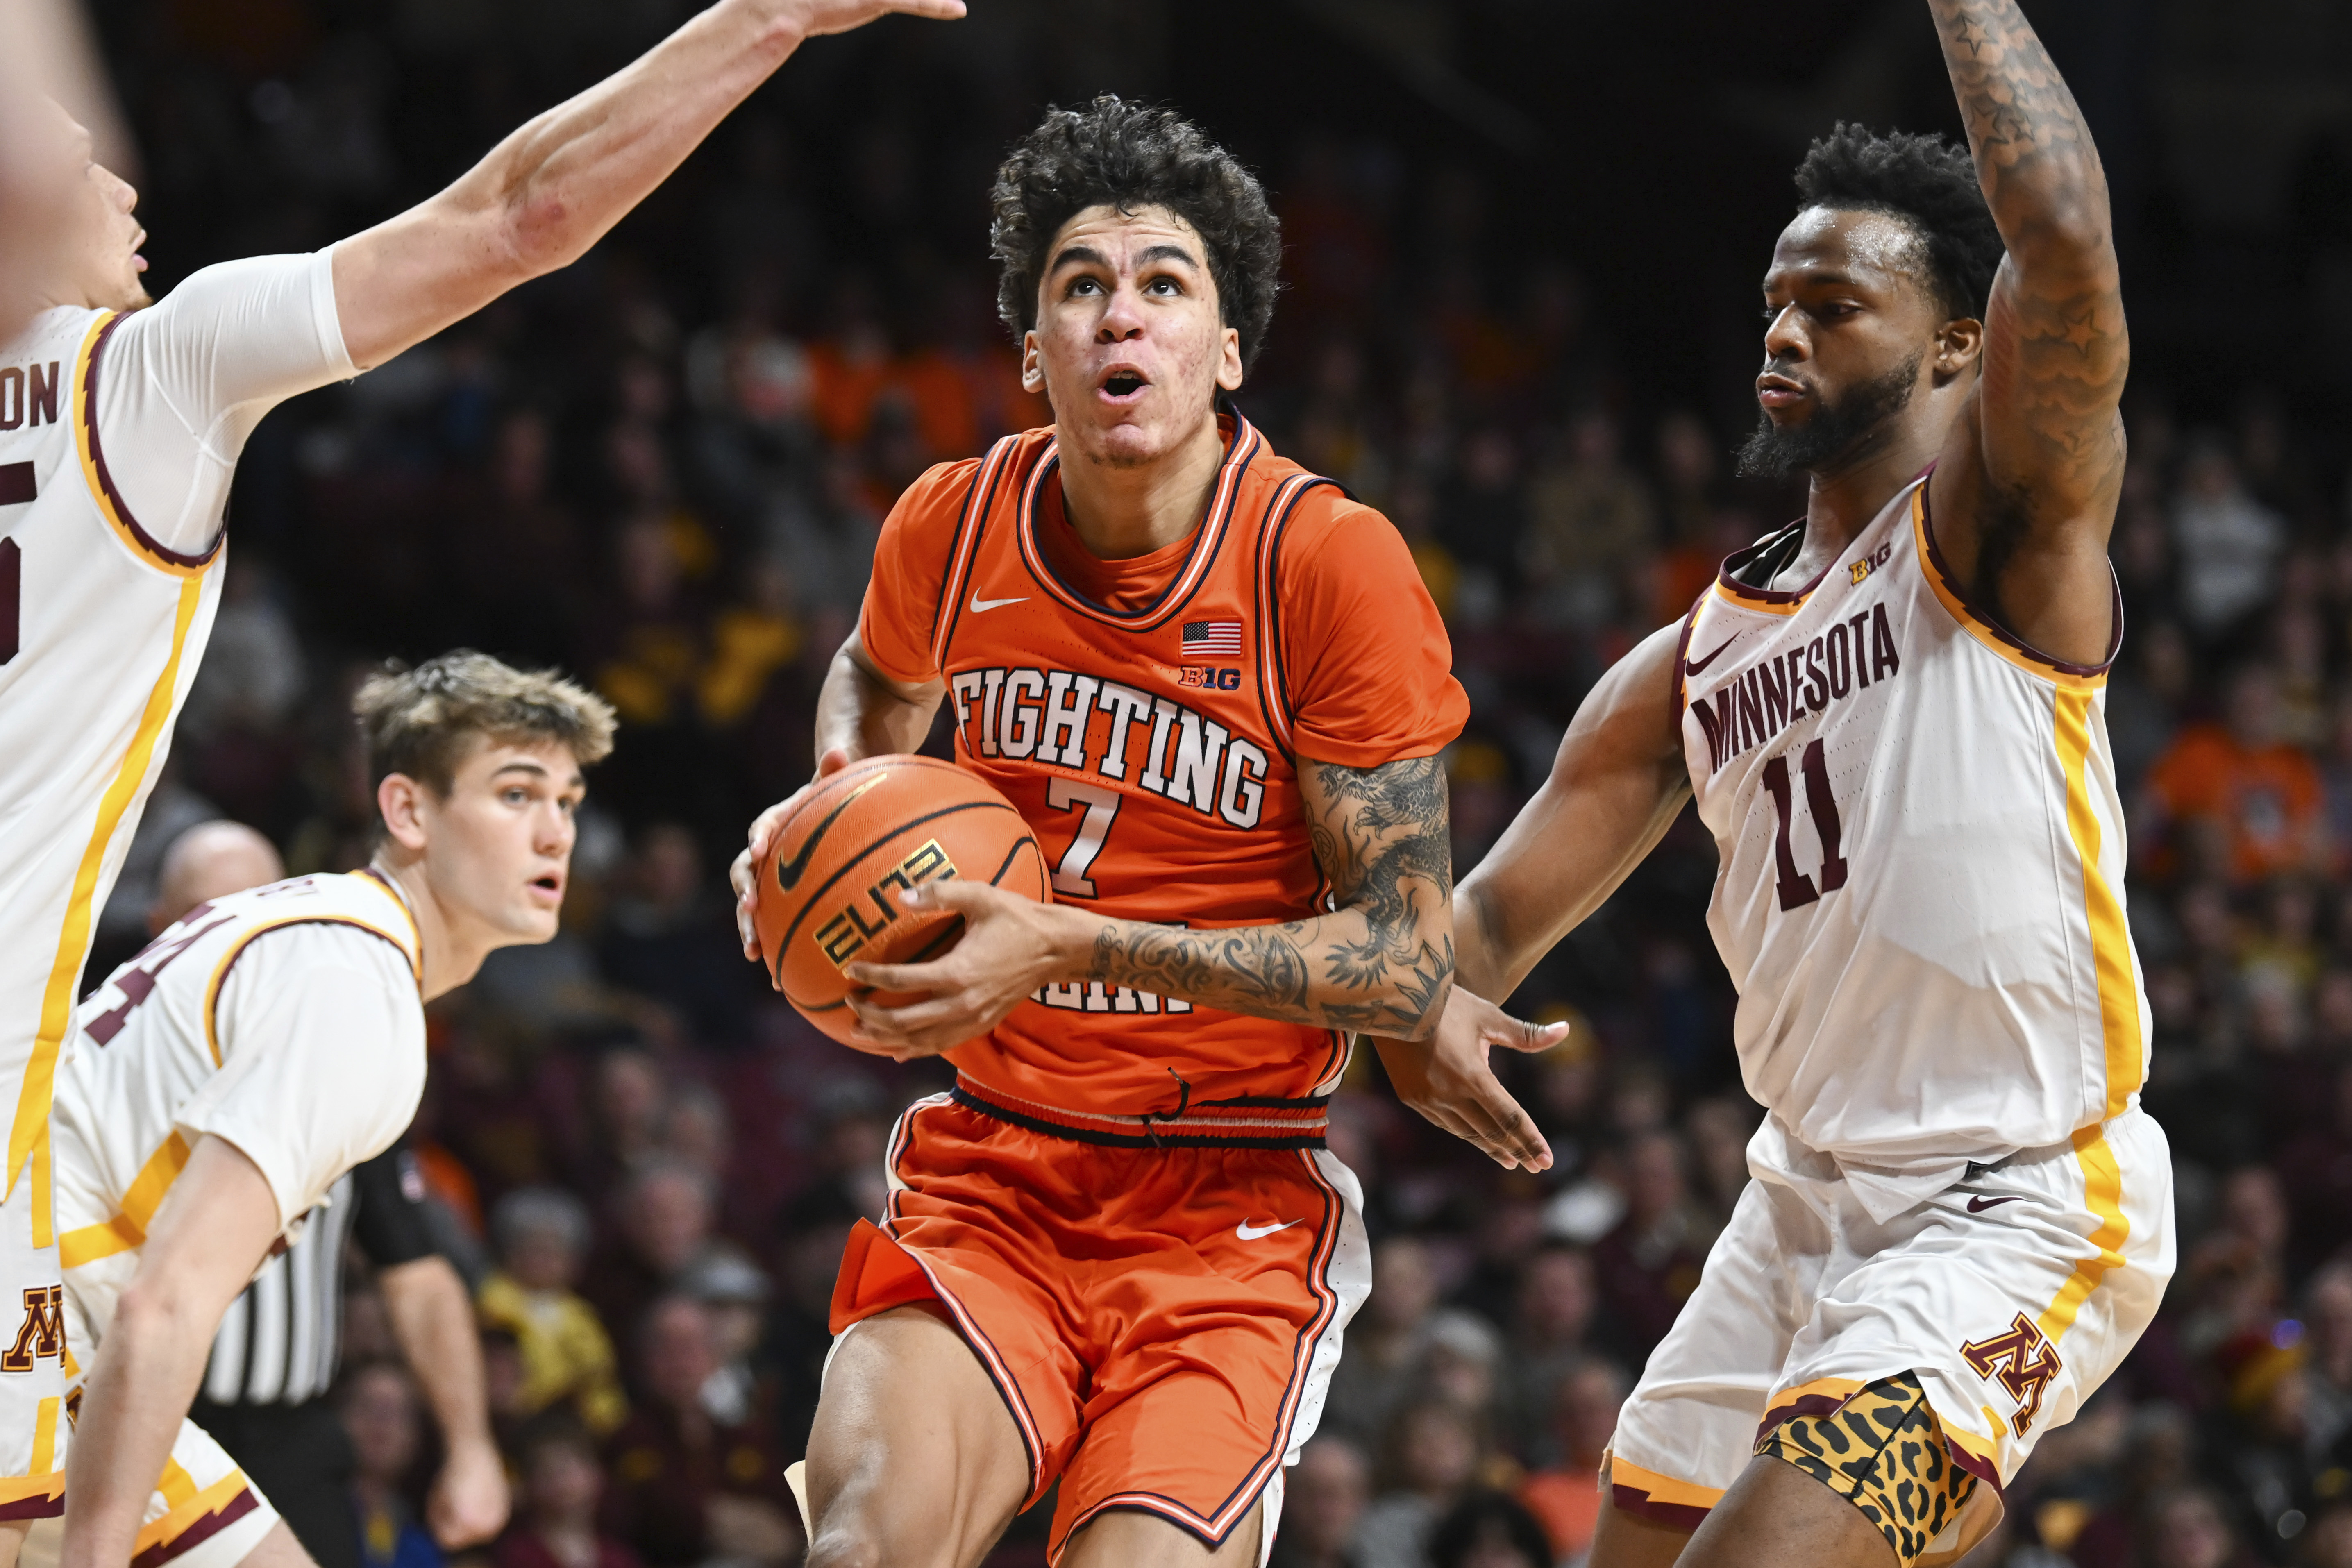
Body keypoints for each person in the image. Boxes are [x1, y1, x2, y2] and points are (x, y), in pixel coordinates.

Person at [0, 0, 958, 1554]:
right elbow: (519, 212)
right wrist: (766, 18)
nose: (120, 179)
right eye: (69, 141)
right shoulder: (151, 374)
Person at [1395, 2, 2175, 1564]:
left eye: (1835, 303)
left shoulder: (1996, 540)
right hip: (1799, 1199)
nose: (1784, 331)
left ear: (1961, 341)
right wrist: (1420, 1012)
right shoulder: (1685, 664)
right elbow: (1474, 930)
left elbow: (2069, 245)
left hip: (2010, 1196)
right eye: (1773, 302)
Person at [731, 96, 1555, 1568]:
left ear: (1227, 352)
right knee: (860, 1546)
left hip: (1227, 1197)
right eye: (1083, 285)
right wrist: (828, 807)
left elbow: (1401, 961)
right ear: (1034, 350)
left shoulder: (1327, 562)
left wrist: (1068, 939)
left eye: (1167, 283)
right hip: (994, 1164)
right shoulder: (952, 520)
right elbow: (875, 665)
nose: (1126, 313)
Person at [36, 654, 615, 1568]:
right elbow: (167, 1301)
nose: (554, 835)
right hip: (36, 1329)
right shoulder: (353, 989)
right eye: (515, 795)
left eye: (567, 803)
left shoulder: (317, 929)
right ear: (408, 810)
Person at [135, 821, 509, 1568]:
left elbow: (419, 1274)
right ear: (158, 932)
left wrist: (470, 1445)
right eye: (208, 916)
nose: (236, 943)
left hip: (289, 1442)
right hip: (136, 1425)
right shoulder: (104, 1067)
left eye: (258, 914)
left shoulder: (341, 1068)